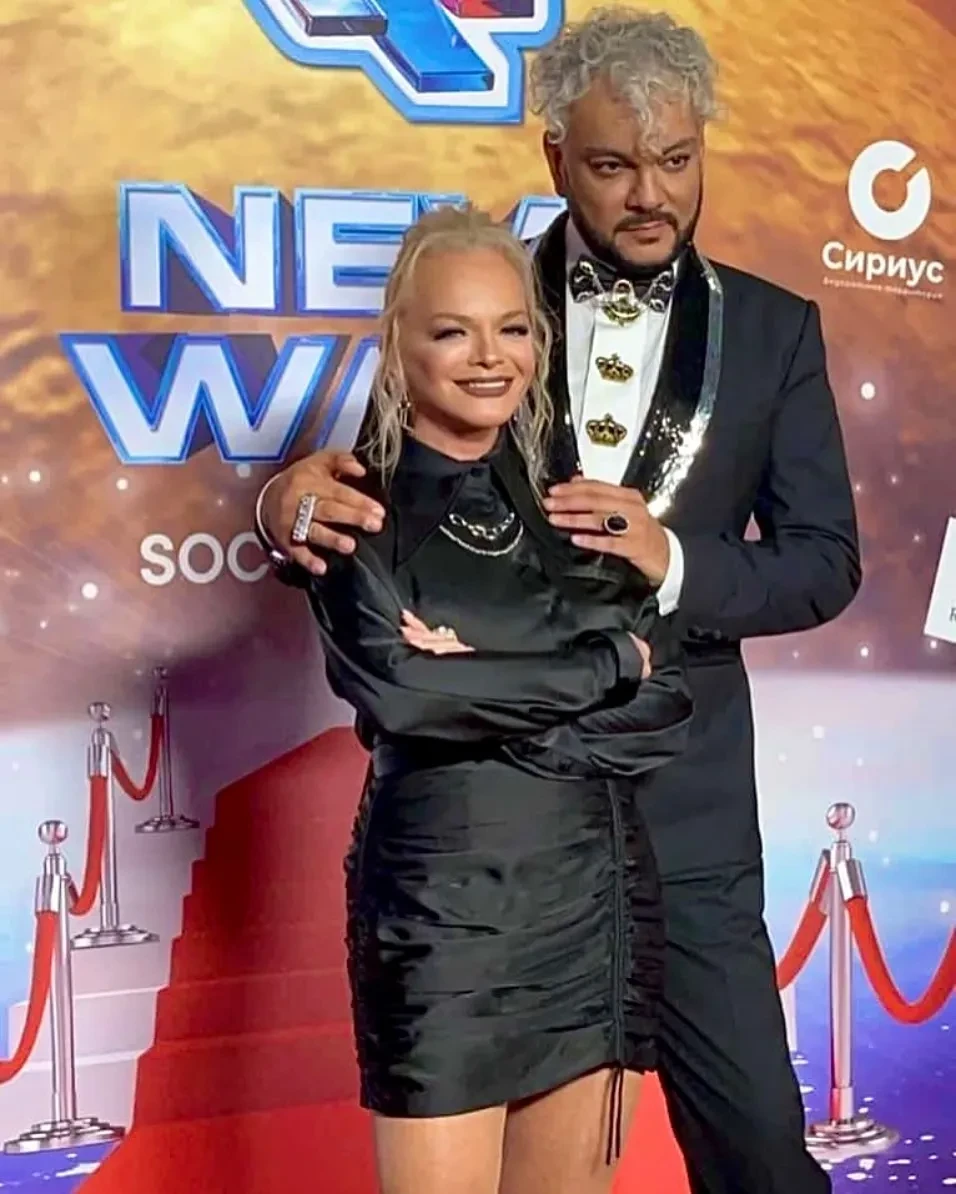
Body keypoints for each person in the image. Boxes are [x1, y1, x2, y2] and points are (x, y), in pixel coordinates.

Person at [255, 9, 861, 1193]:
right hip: (505, 831)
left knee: (758, 1152)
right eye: (613, 165)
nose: (650, 194)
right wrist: (281, 506)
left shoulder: (774, 329)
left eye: (675, 160)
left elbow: (820, 563)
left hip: (684, 811)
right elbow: (381, 500)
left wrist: (671, 558)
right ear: (553, 159)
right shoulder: (477, 295)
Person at [290, 203, 694, 1194]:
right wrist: (601, 665)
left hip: (588, 901)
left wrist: (480, 684)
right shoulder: (349, 511)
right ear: (398, 345)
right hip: (441, 926)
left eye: (511, 328)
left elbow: (665, 702)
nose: (488, 358)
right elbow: (403, 693)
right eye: (451, 331)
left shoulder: (580, 508)